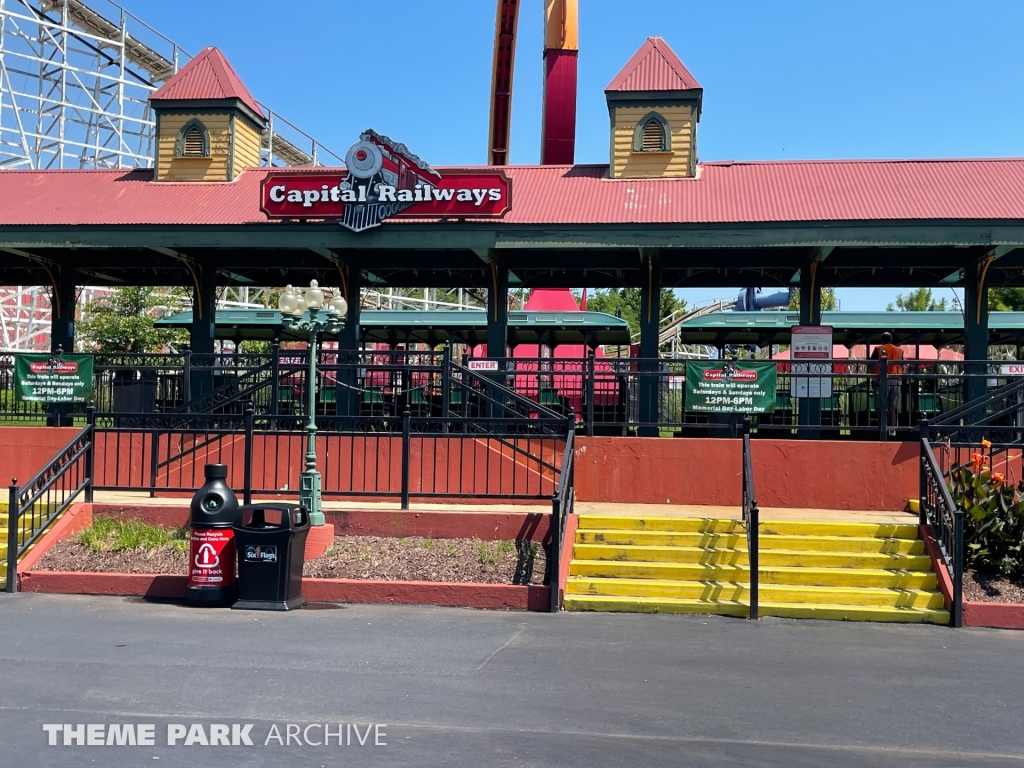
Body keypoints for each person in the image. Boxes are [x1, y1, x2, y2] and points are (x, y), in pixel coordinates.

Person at [870, 332, 904, 434]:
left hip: (881, 380)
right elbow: (902, 364)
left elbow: (871, 365)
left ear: (881, 341)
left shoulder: (878, 349)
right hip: (896, 380)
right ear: (891, 340)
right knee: (893, 406)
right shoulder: (899, 351)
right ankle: (892, 430)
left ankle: (882, 429)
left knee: (880, 405)